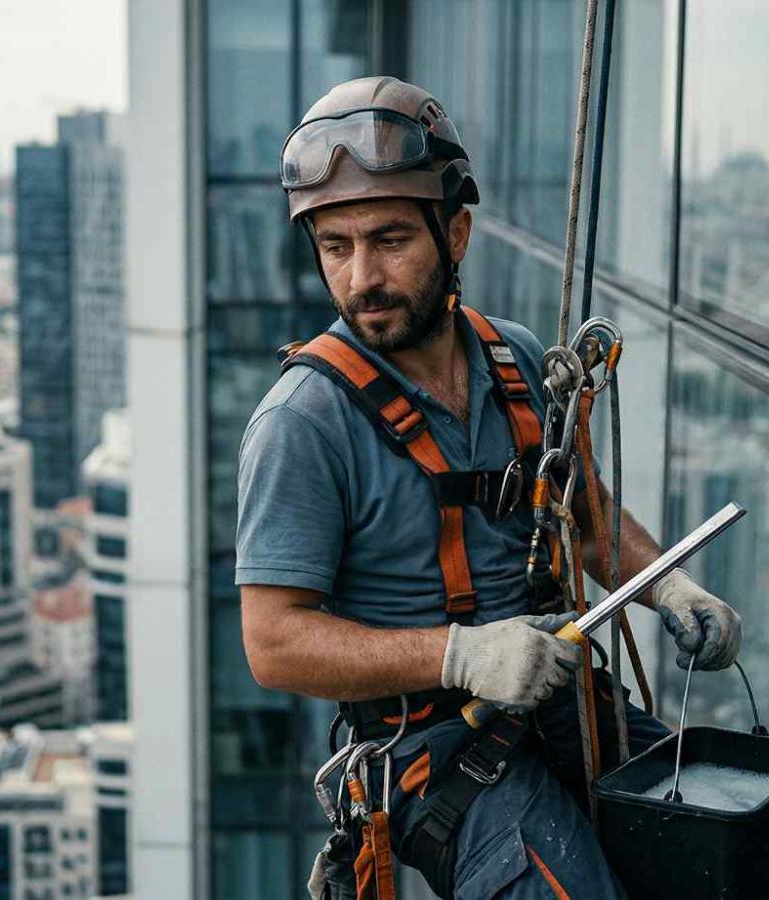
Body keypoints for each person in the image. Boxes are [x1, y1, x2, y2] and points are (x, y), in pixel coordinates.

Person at [237, 76, 743, 899]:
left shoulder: (513, 360)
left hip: (562, 701)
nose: (362, 276)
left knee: (715, 856)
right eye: (336, 246)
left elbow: (581, 516)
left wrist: (667, 586)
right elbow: (274, 642)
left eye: (391, 239)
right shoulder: (304, 421)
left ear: (457, 232)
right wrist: (461, 655)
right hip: (435, 757)